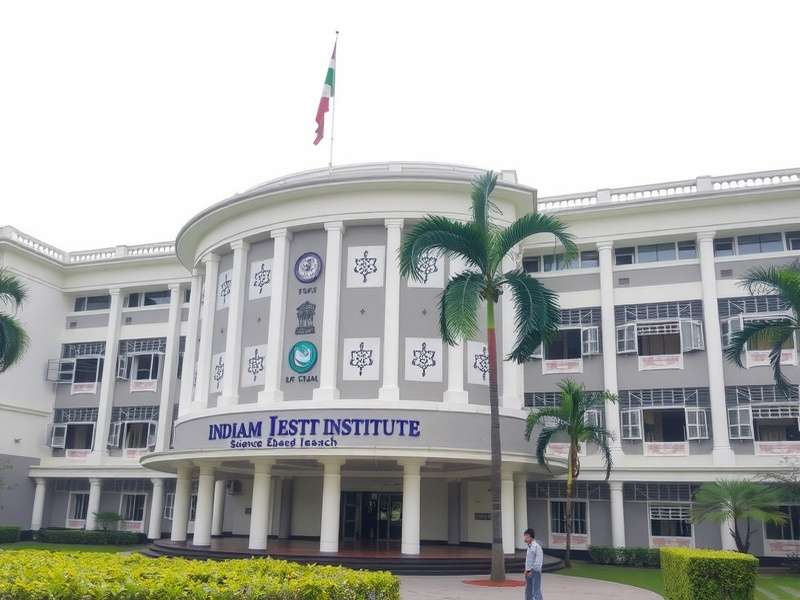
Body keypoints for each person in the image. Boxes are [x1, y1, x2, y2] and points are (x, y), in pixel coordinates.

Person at [523, 528, 543, 600]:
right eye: (525, 536)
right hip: (528, 571)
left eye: (526, 536)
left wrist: (532, 571)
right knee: (528, 591)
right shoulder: (529, 546)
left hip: (535, 572)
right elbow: (528, 560)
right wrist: (526, 570)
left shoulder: (537, 547)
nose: (525, 538)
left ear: (531, 537)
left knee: (536, 591)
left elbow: (538, 561)